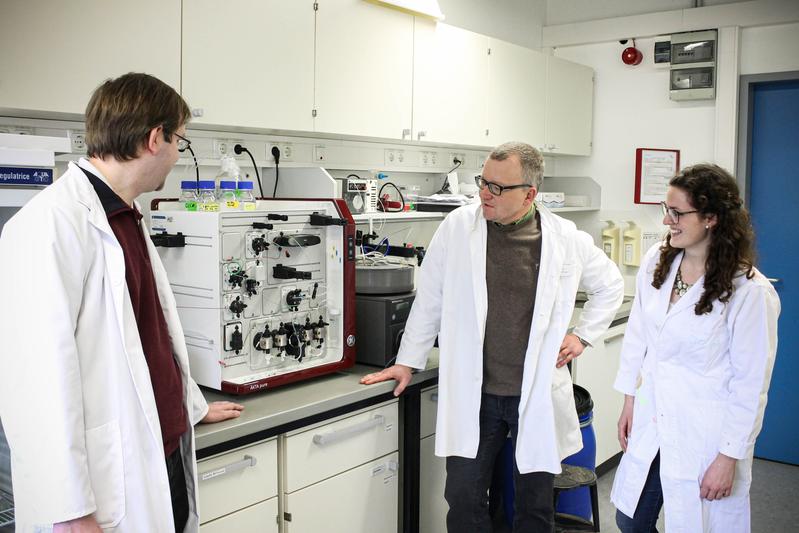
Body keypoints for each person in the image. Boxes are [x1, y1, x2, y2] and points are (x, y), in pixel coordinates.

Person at [0, 73, 244, 533]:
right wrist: (68, 509)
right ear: (156, 138)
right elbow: (32, 384)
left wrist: (189, 406)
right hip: (105, 485)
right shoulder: (49, 224)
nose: (177, 155)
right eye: (180, 142)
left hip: (164, 448)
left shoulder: (127, 215)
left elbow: (151, 341)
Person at [361, 142, 624, 532]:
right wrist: (406, 361)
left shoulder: (564, 238)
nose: (485, 192)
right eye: (483, 181)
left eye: (498, 188)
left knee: (533, 508)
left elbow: (611, 285)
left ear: (529, 194)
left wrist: (583, 336)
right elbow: (429, 297)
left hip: (532, 395)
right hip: (477, 394)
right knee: (464, 502)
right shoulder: (457, 227)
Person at [611, 164, 780, 532]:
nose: (667, 220)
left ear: (711, 218)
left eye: (677, 213)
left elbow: (750, 385)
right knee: (630, 518)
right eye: (666, 209)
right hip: (654, 416)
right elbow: (639, 333)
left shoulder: (749, 291)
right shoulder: (659, 259)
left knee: (695, 523)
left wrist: (728, 457)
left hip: (704, 433)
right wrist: (629, 399)